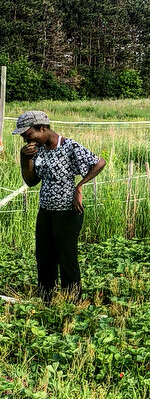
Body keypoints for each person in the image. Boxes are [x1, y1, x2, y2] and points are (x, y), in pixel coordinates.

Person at [14, 110, 106, 301]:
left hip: (68, 212)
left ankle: (73, 300)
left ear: (42, 128)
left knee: (66, 258)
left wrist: (79, 187)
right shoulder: (37, 150)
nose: (26, 140)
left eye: (28, 134)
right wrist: (25, 159)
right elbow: (31, 182)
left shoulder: (69, 146)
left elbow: (99, 162)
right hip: (46, 211)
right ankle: (46, 298)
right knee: (44, 257)